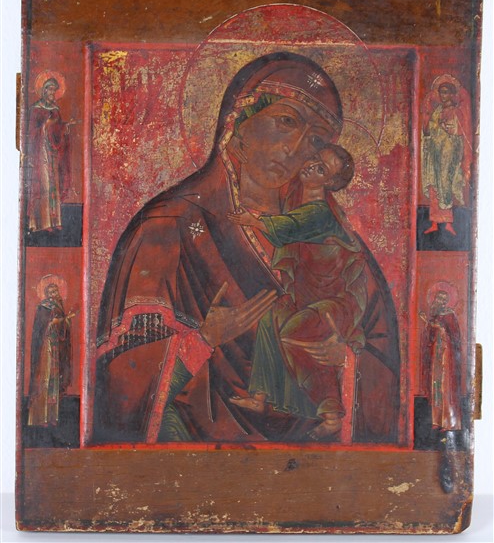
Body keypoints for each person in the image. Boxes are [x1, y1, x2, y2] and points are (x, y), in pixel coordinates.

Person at [93, 52, 400, 444]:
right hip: (191, 465)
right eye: (286, 121)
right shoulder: (168, 227)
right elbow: (120, 385)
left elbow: (381, 357)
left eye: (316, 140)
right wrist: (202, 340)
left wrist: (344, 358)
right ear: (238, 118)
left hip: (318, 468)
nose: (296, 148)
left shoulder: (333, 242)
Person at [227, 145, 366, 440]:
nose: (311, 166)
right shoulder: (297, 200)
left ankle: (332, 415)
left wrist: (255, 221)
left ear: (329, 182)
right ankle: (259, 397)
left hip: (333, 302)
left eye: (321, 169)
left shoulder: (321, 212)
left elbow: (293, 226)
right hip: (307, 297)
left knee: (296, 332)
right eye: (314, 159)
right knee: (271, 317)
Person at [419, 288, 462, 492]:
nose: (441, 301)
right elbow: (428, 338)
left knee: (445, 389)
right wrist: (429, 325)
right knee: (435, 387)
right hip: (436, 357)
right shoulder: (434, 315)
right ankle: (437, 419)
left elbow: (455, 339)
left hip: (447, 357)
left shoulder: (450, 316)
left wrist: (440, 328)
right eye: (439, 297)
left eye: (444, 298)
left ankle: (447, 421)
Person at [421, 80, 471, 236]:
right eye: (441, 92)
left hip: (448, 153)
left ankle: (448, 223)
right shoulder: (437, 111)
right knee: (434, 185)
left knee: (446, 184)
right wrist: (428, 125)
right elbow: (429, 131)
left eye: (446, 92)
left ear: (452, 94)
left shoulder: (456, 111)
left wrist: (447, 128)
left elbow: (459, 133)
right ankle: (434, 223)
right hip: (435, 152)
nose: (443, 95)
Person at [26, 77, 72, 233]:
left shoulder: (55, 109)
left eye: (54, 90)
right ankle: (42, 223)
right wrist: (45, 125)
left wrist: (65, 127)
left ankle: (55, 221)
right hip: (40, 152)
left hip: (52, 152)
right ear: (44, 90)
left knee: (54, 185)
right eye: (50, 89)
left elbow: (57, 130)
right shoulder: (35, 109)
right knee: (44, 184)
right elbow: (31, 133)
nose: (53, 93)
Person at [28, 283, 75, 426]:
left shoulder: (59, 307)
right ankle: (40, 417)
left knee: (54, 381)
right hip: (46, 347)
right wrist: (54, 322)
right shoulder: (44, 307)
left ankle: (52, 417)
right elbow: (42, 328)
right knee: (46, 379)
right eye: (52, 292)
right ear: (47, 294)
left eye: (56, 291)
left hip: (56, 348)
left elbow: (61, 329)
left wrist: (65, 320)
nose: (55, 294)